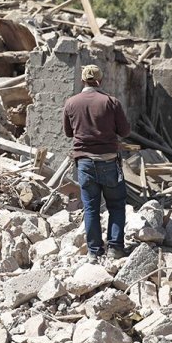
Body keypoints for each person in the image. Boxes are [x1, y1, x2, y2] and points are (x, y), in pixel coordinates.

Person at [63, 64, 131, 262]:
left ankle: (94, 252)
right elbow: (125, 131)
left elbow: (68, 133)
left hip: (84, 163)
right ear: (100, 81)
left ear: (83, 81)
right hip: (109, 161)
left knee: (91, 208)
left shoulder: (71, 103)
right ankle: (115, 248)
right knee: (116, 205)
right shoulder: (111, 102)